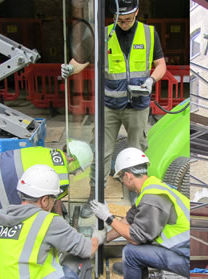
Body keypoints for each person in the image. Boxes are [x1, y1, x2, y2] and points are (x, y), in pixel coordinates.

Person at [61, 0, 167, 217]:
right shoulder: (104, 34)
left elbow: (161, 65)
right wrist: (70, 68)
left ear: (136, 12)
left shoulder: (149, 34)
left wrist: (151, 81)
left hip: (138, 106)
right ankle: (95, 196)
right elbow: (83, 59)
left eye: (128, 19)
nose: (124, 23)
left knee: (136, 152)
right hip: (109, 106)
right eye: (120, 19)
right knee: (101, 152)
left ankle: (137, 194)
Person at [0, 164, 105, 279]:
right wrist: (98, 236)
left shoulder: (4, 217)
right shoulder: (47, 221)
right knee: (80, 260)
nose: (55, 203)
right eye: (54, 199)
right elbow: (86, 249)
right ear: (44, 200)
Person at [90, 147, 189, 279]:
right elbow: (130, 219)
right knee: (139, 240)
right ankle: (136, 273)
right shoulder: (151, 186)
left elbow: (135, 237)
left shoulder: (153, 198)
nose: (122, 181)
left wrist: (109, 218)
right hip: (183, 250)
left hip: (187, 260)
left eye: (121, 178)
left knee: (131, 252)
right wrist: (105, 237)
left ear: (128, 176)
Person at [0, 140, 93, 210]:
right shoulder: (63, 178)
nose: (75, 172)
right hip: (5, 187)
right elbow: (47, 205)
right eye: (78, 168)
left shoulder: (49, 151)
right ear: (72, 160)